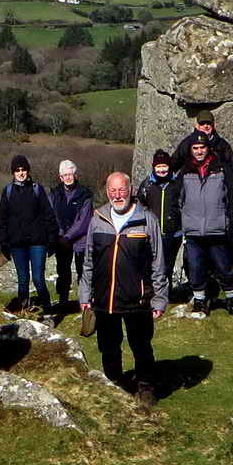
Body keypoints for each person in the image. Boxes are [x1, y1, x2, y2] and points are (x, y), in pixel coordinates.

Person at [80, 172, 166, 408]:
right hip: (104, 298)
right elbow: (89, 260)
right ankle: (114, 384)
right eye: (113, 191)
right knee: (108, 345)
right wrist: (85, 295)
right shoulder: (97, 218)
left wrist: (159, 299)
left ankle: (146, 388)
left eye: (122, 190)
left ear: (131, 190)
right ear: (107, 192)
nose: (118, 195)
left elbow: (158, 262)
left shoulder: (147, 220)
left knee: (141, 345)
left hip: (137, 299)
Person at [175, 138, 233, 319]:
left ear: (208, 149)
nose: (199, 151)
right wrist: (180, 219)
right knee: (196, 266)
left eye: (202, 148)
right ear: (191, 150)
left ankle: (231, 300)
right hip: (193, 229)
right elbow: (177, 198)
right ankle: (200, 301)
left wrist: (232, 219)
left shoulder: (222, 169)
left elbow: (232, 195)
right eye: (195, 148)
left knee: (224, 266)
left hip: (217, 228)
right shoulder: (185, 171)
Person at [0, 154, 56, 315]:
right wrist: (4, 243)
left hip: (38, 242)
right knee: (23, 280)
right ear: (13, 172)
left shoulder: (37, 189)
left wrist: (52, 240)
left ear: (28, 171)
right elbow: (2, 219)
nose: (21, 173)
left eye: (23, 169)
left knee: (38, 279)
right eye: (17, 170)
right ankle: (24, 312)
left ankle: (48, 311)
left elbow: (48, 214)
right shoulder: (8, 192)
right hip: (17, 244)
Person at [49, 159, 94, 311]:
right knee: (63, 271)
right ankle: (63, 301)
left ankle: (85, 302)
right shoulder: (55, 194)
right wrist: (60, 235)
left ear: (75, 175)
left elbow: (84, 220)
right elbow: (51, 215)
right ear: (60, 177)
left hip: (80, 239)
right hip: (61, 239)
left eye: (70, 174)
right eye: (64, 175)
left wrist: (67, 237)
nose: (68, 177)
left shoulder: (85, 194)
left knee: (83, 271)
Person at [136, 149, 183, 291]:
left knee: (168, 265)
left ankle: (165, 293)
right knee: (151, 264)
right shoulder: (147, 185)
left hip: (173, 234)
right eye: (158, 167)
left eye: (164, 166)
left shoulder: (177, 184)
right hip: (152, 233)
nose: (161, 170)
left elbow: (183, 204)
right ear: (153, 167)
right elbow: (140, 206)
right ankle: (150, 292)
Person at [172, 109, 233, 177]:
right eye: (202, 123)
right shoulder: (187, 143)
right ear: (197, 126)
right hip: (193, 182)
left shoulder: (221, 144)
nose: (206, 126)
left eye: (208, 123)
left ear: (213, 125)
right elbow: (174, 162)